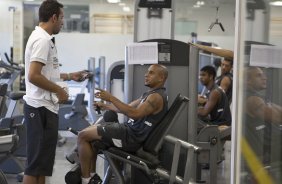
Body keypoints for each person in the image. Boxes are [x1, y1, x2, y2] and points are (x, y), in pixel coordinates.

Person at [23, 1, 89, 184]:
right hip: (39, 108)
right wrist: (59, 89)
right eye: (62, 18)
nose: (63, 22)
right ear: (53, 17)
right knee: (34, 165)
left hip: (45, 107)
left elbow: (46, 73)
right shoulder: (42, 40)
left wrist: (69, 76)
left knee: (42, 166)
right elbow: (33, 76)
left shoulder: (45, 39)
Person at [77, 64, 168, 184]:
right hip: (127, 132)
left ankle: (86, 180)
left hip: (130, 137)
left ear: (161, 78)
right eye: (147, 72)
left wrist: (111, 98)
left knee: (82, 135)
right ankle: (92, 176)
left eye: (151, 73)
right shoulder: (149, 94)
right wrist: (105, 105)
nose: (146, 75)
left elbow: (134, 113)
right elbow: (127, 108)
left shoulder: (155, 97)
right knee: (92, 136)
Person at [243, 66, 282, 166]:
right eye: (259, 76)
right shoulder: (252, 100)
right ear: (248, 81)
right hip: (268, 153)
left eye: (263, 74)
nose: (265, 78)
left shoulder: (256, 97)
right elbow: (278, 117)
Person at [198, 65, 231, 130]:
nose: (200, 77)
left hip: (220, 124)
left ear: (211, 76)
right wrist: (205, 101)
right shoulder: (213, 90)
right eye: (200, 75)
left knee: (193, 119)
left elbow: (204, 113)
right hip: (218, 122)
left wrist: (191, 107)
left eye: (203, 75)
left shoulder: (215, 92)